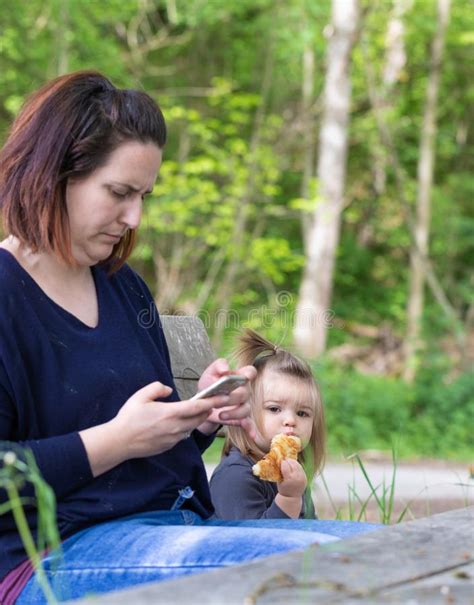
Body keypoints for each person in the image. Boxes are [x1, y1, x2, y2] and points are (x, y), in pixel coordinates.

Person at [0, 71, 379, 605]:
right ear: (53, 172)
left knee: (394, 551)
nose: (134, 217)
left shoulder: (121, 286)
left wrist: (194, 421)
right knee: (323, 574)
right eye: (119, 192)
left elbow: (147, 443)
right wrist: (116, 440)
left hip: (174, 527)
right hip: (53, 556)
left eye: (144, 195)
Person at [210, 329, 325, 520]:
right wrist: (289, 498)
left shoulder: (293, 475)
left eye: (302, 413)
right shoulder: (235, 476)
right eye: (274, 409)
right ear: (244, 412)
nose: (291, 420)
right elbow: (258, 544)